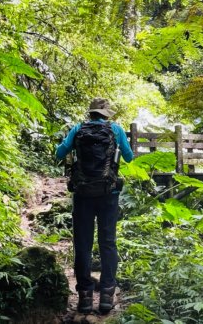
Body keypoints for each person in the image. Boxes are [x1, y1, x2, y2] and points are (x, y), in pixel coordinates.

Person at [56, 98, 134, 314]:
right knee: (108, 242)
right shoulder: (115, 129)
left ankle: (85, 299)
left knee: (83, 244)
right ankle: (107, 295)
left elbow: (59, 153)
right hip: (109, 193)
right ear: (106, 114)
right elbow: (129, 157)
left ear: (90, 113)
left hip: (82, 194)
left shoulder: (77, 129)